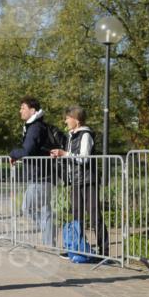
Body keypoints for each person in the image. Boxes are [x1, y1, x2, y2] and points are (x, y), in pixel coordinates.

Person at [50, 106, 109, 258]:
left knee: (94, 216)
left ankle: (104, 251)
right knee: (77, 216)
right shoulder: (70, 136)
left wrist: (65, 154)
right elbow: (71, 157)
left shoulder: (86, 135)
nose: (65, 121)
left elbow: (84, 158)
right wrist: (60, 156)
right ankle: (78, 248)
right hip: (75, 181)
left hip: (88, 180)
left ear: (76, 120)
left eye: (67, 118)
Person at [9, 97, 57, 248]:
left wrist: (12, 153)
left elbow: (27, 151)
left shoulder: (35, 127)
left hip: (39, 175)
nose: (20, 111)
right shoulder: (37, 126)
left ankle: (49, 232)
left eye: (23, 108)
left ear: (32, 110)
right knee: (44, 209)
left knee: (28, 208)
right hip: (42, 174)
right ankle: (49, 241)